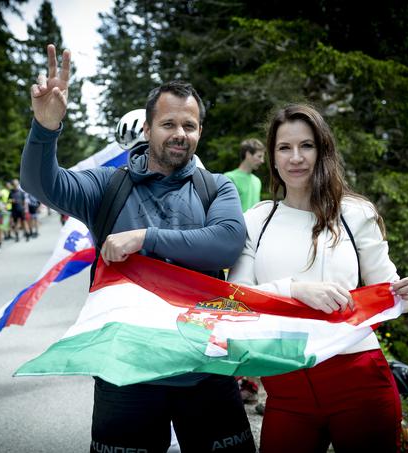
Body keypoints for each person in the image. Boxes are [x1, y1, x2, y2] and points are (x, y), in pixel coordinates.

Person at [20, 44, 255, 453]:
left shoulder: (217, 187)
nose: (180, 134)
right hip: (124, 370)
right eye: (168, 124)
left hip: (204, 365)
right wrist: (45, 128)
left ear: (200, 132)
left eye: (190, 125)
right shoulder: (105, 186)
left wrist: (144, 238)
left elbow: (226, 244)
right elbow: (41, 184)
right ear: (147, 130)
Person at [228, 104, 408, 452]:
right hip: (285, 387)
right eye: (284, 148)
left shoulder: (356, 213)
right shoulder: (257, 219)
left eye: (306, 145)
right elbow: (238, 299)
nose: (296, 157)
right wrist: (294, 291)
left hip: (359, 380)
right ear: (273, 157)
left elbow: (393, 295)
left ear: (322, 149)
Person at [224, 138, 266, 212]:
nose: (262, 161)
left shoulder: (257, 181)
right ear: (248, 154)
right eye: (259, 156)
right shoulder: (229, 177)